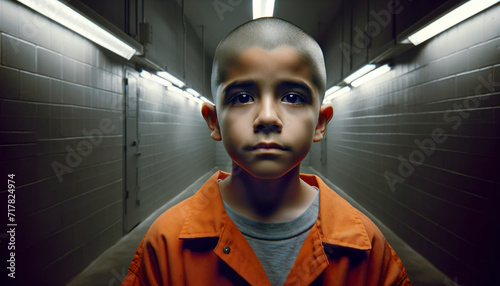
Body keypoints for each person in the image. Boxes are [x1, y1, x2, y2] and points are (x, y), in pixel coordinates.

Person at [122, 17, 411, 286]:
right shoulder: (166, 242)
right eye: (243, 97)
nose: (268, 118)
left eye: (293, 97)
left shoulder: (365, 246)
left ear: (320, 123)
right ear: (214, 121)